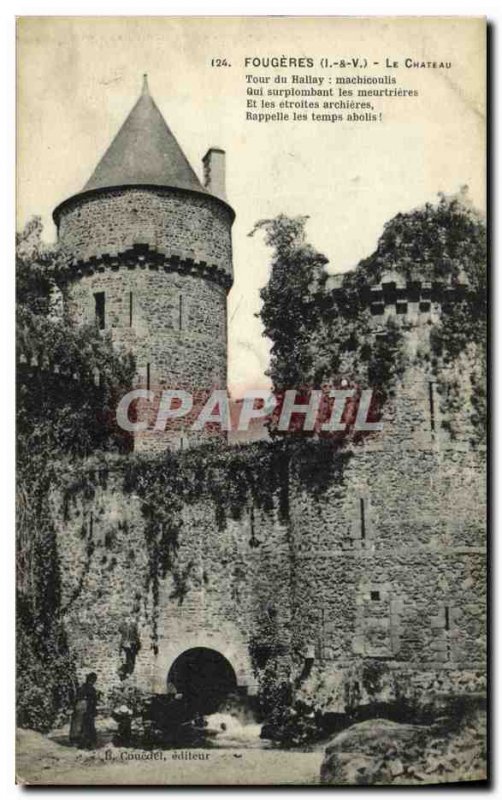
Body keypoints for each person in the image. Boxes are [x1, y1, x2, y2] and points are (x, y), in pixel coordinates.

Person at [69, 672, 98, 749]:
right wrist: (93, 710)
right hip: (86, 708)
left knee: (78, 725)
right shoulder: (91, 689)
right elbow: (93, 701)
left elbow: (75, 699)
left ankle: (77, 742)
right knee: (86, 725)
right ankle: (86, 743)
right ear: (92, 680)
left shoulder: (81, 688)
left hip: (79, 707)